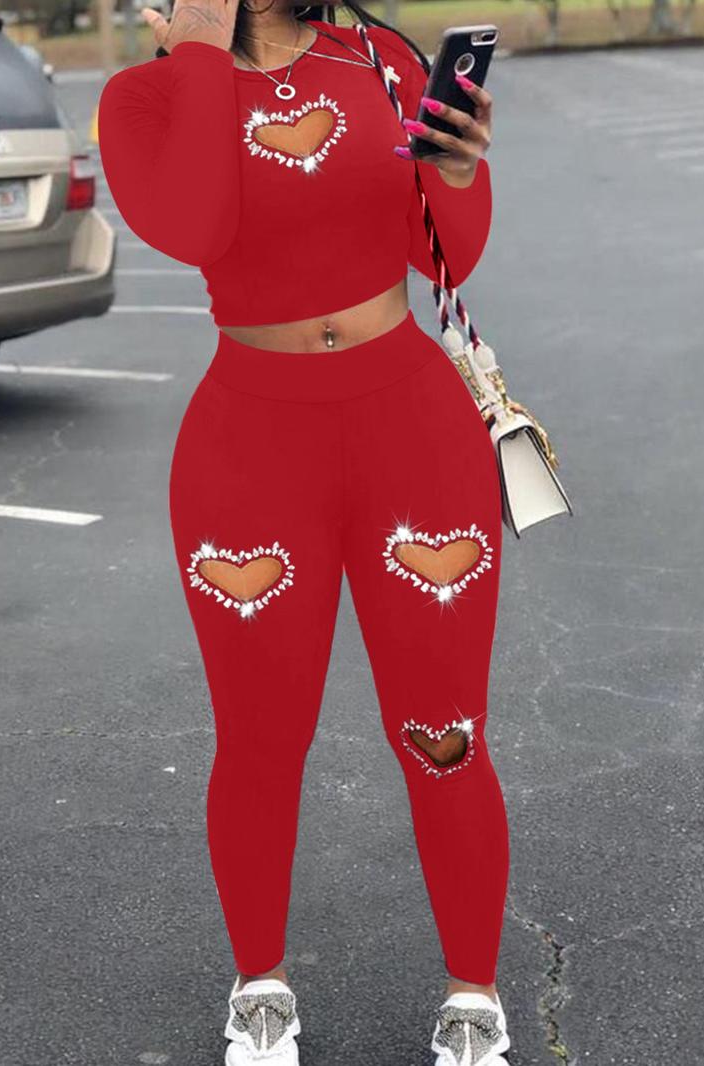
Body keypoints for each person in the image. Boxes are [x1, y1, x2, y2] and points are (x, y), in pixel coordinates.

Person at [98, 1, 510, 1062]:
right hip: (249, 450)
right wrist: (201, 42)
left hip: (413, 431)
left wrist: (460, 172)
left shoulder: (379, 60)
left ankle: (474, 994)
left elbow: (446, 258)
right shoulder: (145, 97)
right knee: (259, 738)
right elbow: (197, 228)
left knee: (444, 731)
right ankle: (260, 985)